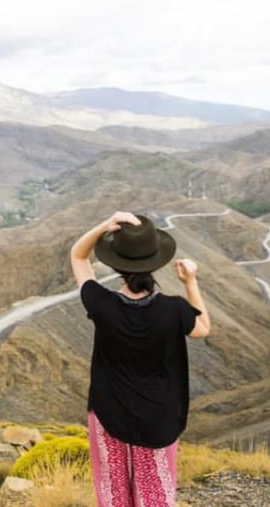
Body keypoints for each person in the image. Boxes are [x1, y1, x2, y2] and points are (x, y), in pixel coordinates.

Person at [70, 211, 210, 507]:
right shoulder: (174, 310)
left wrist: (104, 224)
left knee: (113, 492)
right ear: (156, 261)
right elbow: (203, 328)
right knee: (155, 493)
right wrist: (190, 282)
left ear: (115, 263)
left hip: (108, 413)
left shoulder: (101, 303)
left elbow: (78, 257)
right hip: (158, 418)